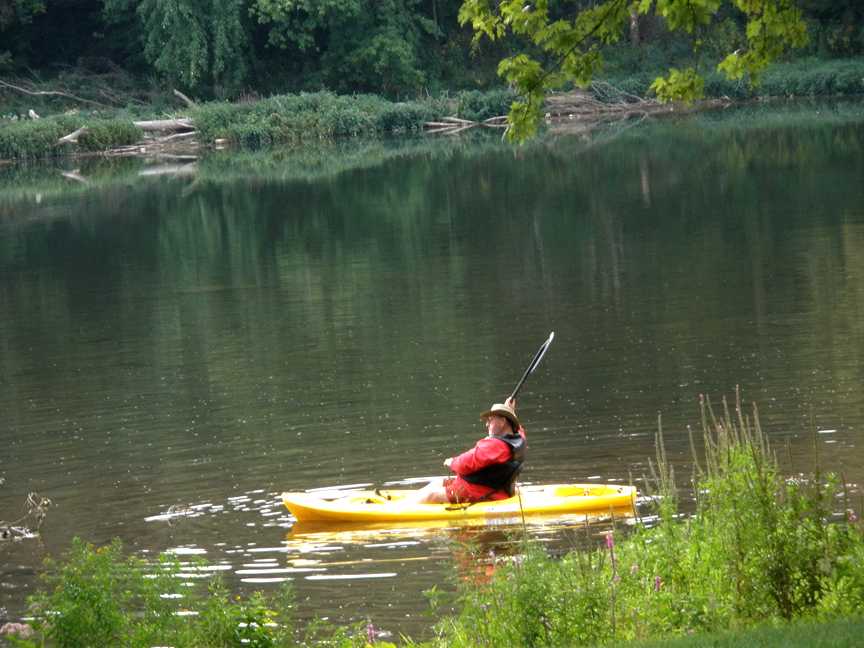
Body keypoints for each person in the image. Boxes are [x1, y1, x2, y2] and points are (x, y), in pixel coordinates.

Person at [413, 396, 526, 504]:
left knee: (431, 495)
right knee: (438, 482)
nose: (487, 424)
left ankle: (400, 511)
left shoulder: (495, 446)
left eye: (490, 420)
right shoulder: (519, 437)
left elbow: (466, 463)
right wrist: (510, 411)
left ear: (502, 422)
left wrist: (452, 462)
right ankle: (406, 502)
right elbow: (515, 427)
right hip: (492, 488)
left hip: (480, 491)